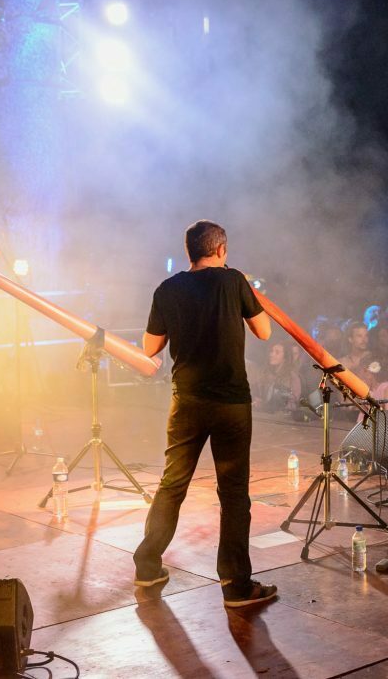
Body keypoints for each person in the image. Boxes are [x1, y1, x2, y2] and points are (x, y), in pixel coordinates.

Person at [133, 220, 277, 608]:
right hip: (231, 403)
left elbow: (149, 348)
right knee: (233, 495)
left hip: (187, 402)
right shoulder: (233, 282)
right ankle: (235, 585)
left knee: (172, 484)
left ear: (190, 252)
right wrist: (244, 289)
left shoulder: (167, 289)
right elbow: (264, 331)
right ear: (221, 250)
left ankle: (147, 565)